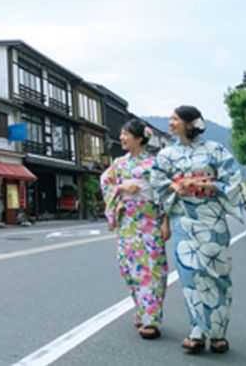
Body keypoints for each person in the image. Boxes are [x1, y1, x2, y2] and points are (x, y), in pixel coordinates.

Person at [151, 105, 244, 354]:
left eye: (175, 119)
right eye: (170, 117)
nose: (170, 122)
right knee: (190, 276)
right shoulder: (166, 155)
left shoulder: (215, 149)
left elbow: (233, 179)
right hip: (183, 219)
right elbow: (157, 182)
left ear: (190, 123)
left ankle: (218, 333)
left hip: (211, 217)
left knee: (216, 274)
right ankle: (197, 329)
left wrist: (207, 185)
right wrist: (174, 186)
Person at [100, 119, 169, 339]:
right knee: (128, 268)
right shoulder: (119, 164)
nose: (121, 137)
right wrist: (121, 187)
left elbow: (164, 193)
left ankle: (151, 320)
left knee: (152, 269)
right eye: (121, 133)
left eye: (125, 134)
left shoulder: (154, 163)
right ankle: (141, 310)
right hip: (128, 222)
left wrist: (166, 221)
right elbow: (106, 181)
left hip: (150, 220)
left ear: (139, 138)